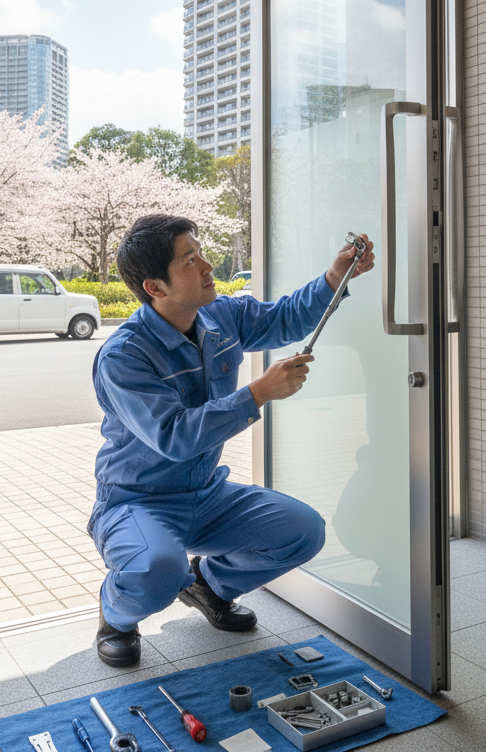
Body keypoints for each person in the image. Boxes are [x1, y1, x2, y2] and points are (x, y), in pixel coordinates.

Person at [88, 214, 375, 666]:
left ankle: (210, 585)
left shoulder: (221, 316)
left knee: (304, 531)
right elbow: (175, 436)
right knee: (159, 570)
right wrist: (258, 392)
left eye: (200, 253)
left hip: (206, 495)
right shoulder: (124, 356)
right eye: (190, 261)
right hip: (136, 502)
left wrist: (335, 277)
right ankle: (116, 616)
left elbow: (286, 317)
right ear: (155, 287)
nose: (207, 267)